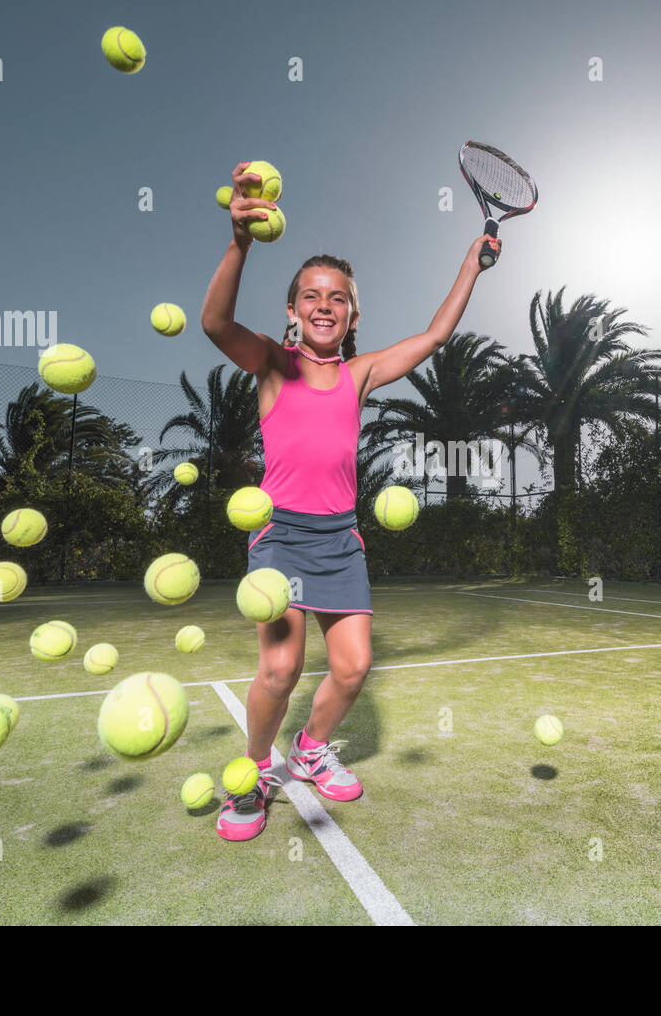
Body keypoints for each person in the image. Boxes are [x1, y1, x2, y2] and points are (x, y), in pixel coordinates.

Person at [200, 160, 500, 841]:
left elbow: (433, 337)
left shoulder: (360, 375)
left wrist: (472, 266)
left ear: (353, 314)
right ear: (292, 311)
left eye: (337, 297)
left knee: (354, 666)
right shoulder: (273, 367)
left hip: (339, 538)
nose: (325, 304)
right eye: (311, 295)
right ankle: (250, 777)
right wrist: (240, 241)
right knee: (278, 669)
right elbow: (216, 323)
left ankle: (309, 748)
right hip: (279, 537)